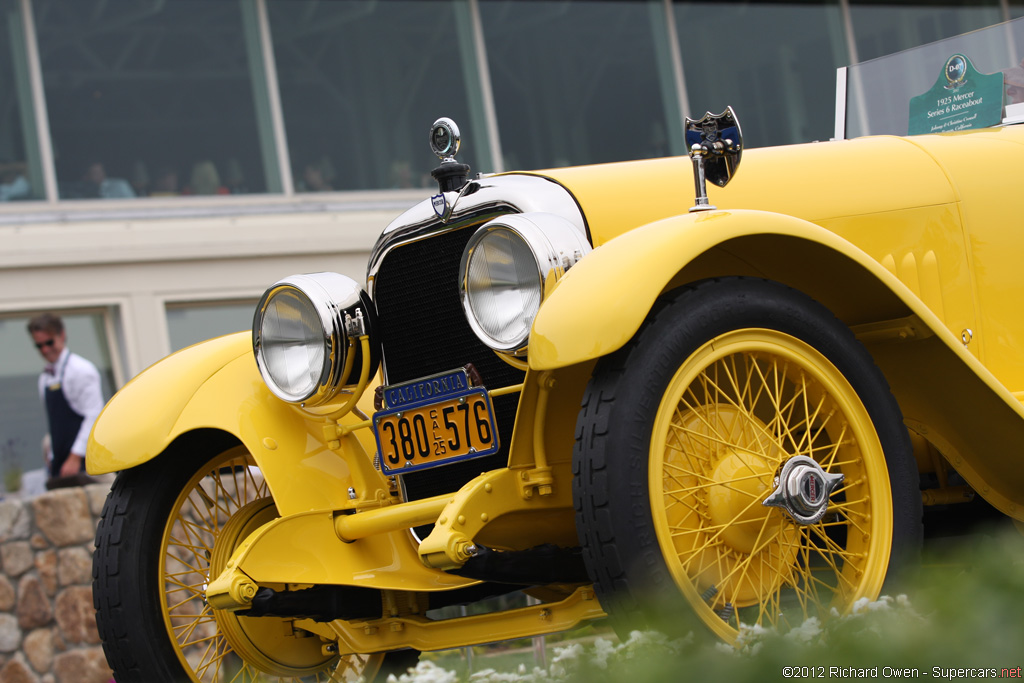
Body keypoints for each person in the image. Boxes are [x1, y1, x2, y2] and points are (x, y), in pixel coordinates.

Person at [27, 313, 105, 487]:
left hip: (86, 465)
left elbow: (94, 417)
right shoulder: (45, 378)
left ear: (61, 335)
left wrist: (75, 457)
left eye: (49, 343)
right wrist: (52, 455)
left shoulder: (81, 370)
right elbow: (56, 424)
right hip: (61, 467)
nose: (45, 350)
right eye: (39, 346)